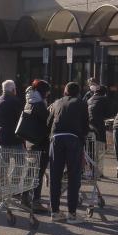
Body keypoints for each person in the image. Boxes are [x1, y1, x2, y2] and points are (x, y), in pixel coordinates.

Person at [46, 82, 89, 222]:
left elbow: (49, 122)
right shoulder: (81, 103)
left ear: (65, 91)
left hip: (56, 139)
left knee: (55, 176)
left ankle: (55, 212)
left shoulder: (57, 102)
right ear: (78, 93)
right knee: (73, 176)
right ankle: (72, 213)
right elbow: (85, 125)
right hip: (73, 139)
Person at [21, 79, 52, 210]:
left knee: (30, 171)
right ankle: (36, 201)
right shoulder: (39, 105)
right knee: (38, 173)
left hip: (30, 142)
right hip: (40, 143)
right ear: (43, 91)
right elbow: (48, 121)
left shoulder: (29, 102)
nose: (48, 94)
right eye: (47, 91)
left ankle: (24, 197)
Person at [0, 80, 23, 148]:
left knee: (4, 158)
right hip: (15, 138)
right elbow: (20, 119)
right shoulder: (15, 101)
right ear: (13, 90)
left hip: (2, 137)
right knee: (19, 158)